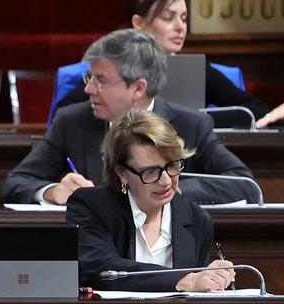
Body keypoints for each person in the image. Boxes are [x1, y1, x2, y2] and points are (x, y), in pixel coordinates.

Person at [0, 29, 253, 205]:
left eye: (100, 81)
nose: (88, 89)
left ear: (138, 88)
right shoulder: (72, 121)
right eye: (89, 78)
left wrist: (168, 189)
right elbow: (14, 184)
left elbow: (244, 184)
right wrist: (53, 192)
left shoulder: (191, 125)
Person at [53, 0, 284, 127]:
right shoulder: (112, 69)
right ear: (139, 23)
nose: (180, 27)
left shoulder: (195, 71)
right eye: (168, 18)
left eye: (183, 18)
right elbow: (63, 115)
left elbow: (251, 111)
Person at [70, 110, 235, 292]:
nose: (166, 181)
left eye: (172, 165)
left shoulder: (198, 220)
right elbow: (104, 271)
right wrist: (185, 280)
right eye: (150, 172)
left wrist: (214, 280)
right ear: (121, 173)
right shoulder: (91, 206)